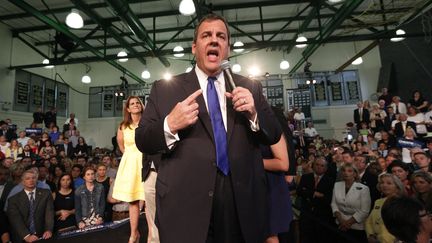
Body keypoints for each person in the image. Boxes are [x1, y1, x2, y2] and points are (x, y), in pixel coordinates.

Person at [135, 13, 281, 243]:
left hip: (242, 205)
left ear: (227, 49)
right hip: (185, 207)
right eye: (206, 35)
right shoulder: (165, 89)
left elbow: (274, 133)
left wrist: (254, 112)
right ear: (195, 47)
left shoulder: (249, 86)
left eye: (221, 36)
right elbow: (142, 139)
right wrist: (169, 124)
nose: (214, 40)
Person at [112, 96, 146, 243]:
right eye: (132, 103)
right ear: (127, 108)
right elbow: (122, 147)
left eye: (138, 102)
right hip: (131, 164)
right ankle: (134, 234)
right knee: (133, 201)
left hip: (146, 161)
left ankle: (153, 234)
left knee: (149, 200)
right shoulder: (123, 126)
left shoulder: (148, 122)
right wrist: (132, 157)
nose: (135, 105)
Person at [7, 168, 54, 243]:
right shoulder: (13, 199)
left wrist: (48, 230)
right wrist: (27, 236)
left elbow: (49, 214)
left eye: (33, 178)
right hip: (22, 237)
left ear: (37, 180)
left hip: (43, 235)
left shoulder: (46, 193)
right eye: (28, 178)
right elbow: (16, 220)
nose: (31, 180)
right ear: (23, 182)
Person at [297, 157, 335, 243]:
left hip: (322, 216)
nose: (319, 167)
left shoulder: (330, 181)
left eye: (322, 165)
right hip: (306, 214)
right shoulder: (305, 177)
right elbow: (299, 191)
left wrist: (307, 191)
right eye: (317, 165)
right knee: (304, 238)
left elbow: (328, 198)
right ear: (313, 166)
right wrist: (314, 193)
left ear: (325, 168)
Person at [331, 163, 371, 243]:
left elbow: (364, 211)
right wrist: (341, 221)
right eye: (344, 171)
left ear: (355, 174)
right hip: (339, 224)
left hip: (357, 227)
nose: (346, 173)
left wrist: (347, 224)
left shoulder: (364, 188)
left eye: (349, 171)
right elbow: (334, 204)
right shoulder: (337, 185)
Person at [365, 173, 405, 243]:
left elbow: (406, 226)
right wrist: (370, 235)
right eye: (382, 182)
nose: (384, 185)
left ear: (397, 187)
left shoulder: (403, 203)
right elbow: (369, 221)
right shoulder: (378, 202)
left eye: (389, 183)